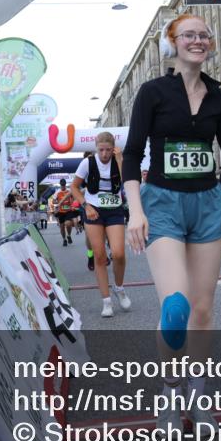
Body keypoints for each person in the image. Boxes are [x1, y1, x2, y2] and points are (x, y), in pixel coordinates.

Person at [123, 13, 221, 439]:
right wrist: (135, 208)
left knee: (202, 311)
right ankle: (169, 394)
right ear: (173, 42)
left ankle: (196, 398)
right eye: (189, 35)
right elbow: (131, 155)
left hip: (208, 205)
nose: (198, 40)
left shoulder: (219, 98)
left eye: (204, 35)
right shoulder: (152, 93)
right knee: (176, 307)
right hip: (162, 204)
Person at [71, 132, 130, 318]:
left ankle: (119, 288)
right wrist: (85, 205)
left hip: (114, 209)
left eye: (108, 150)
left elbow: (128, 182)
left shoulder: (118, 159)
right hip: (93, 209)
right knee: (99, 255)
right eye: (101, 150)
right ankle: (106, 301)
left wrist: (120, 158)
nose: (104, 154)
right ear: (96, 148)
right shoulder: (87, 163)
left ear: (113, 148)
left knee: (119, 253)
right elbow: (74, 187)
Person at [49, 179, 75, 245]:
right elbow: (53, 201)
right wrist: (60, 202)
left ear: (65, 184)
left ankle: (69, 235)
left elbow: (74, 198)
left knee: (68, 224)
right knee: (62, 227)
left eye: (64, 185)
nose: (63, 186)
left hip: (68, 210)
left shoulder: (69, 191)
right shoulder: (57, 192)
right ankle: (64, 239)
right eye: (62, 185)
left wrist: (72, 204)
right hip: (60, 211)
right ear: (60, 185)